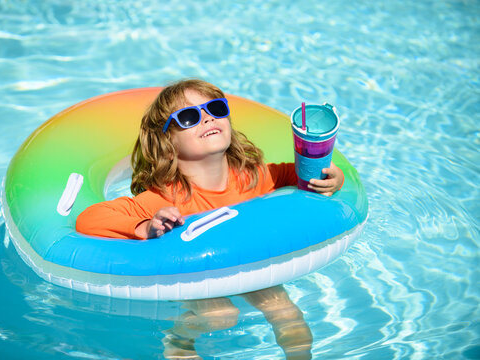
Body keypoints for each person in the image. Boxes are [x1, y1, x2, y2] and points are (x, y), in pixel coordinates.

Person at [76, 79, 344, 359]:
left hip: (247, 260)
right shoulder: (165, 198)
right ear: (167, 141)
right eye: (189, 117)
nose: (207, 118)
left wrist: (332, 177)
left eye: (216, 109)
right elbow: (90, 218)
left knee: (287, 313)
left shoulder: (252, 177)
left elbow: (298, 176)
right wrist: (143, 227)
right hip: (196, 272)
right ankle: (179, 340)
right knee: (221, 315)